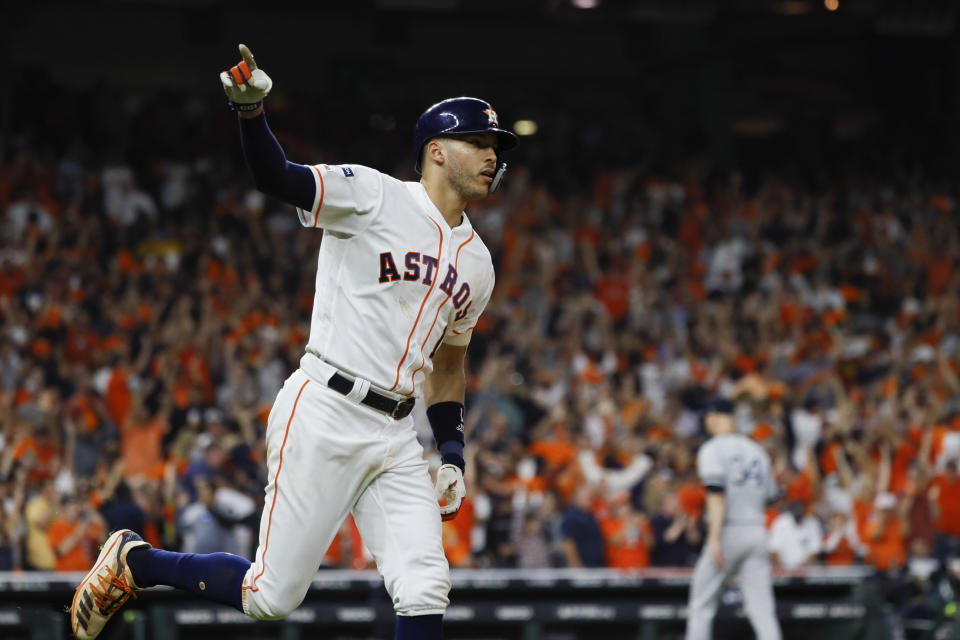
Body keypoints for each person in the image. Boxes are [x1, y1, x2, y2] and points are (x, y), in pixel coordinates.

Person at [71, 44, 516, 640]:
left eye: (496, 148)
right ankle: (137, 562)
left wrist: (453, 452)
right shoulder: (374, 194)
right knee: (270, 596)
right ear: (436, 151)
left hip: (395, 433)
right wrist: (251, 115)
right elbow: (276, 178)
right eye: (479, 144)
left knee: (424, 583)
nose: (492, 157)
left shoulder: (480, 265)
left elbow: (450, 363)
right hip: (326, 407)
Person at [685, 399, 782, 640]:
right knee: (762, 611)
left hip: (730, 529)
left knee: (701, 606)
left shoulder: (712, 448)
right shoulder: (757, 450)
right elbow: (771, 497)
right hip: (757, 530)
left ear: (714, 416)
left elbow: (716, 496)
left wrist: (714, 538)